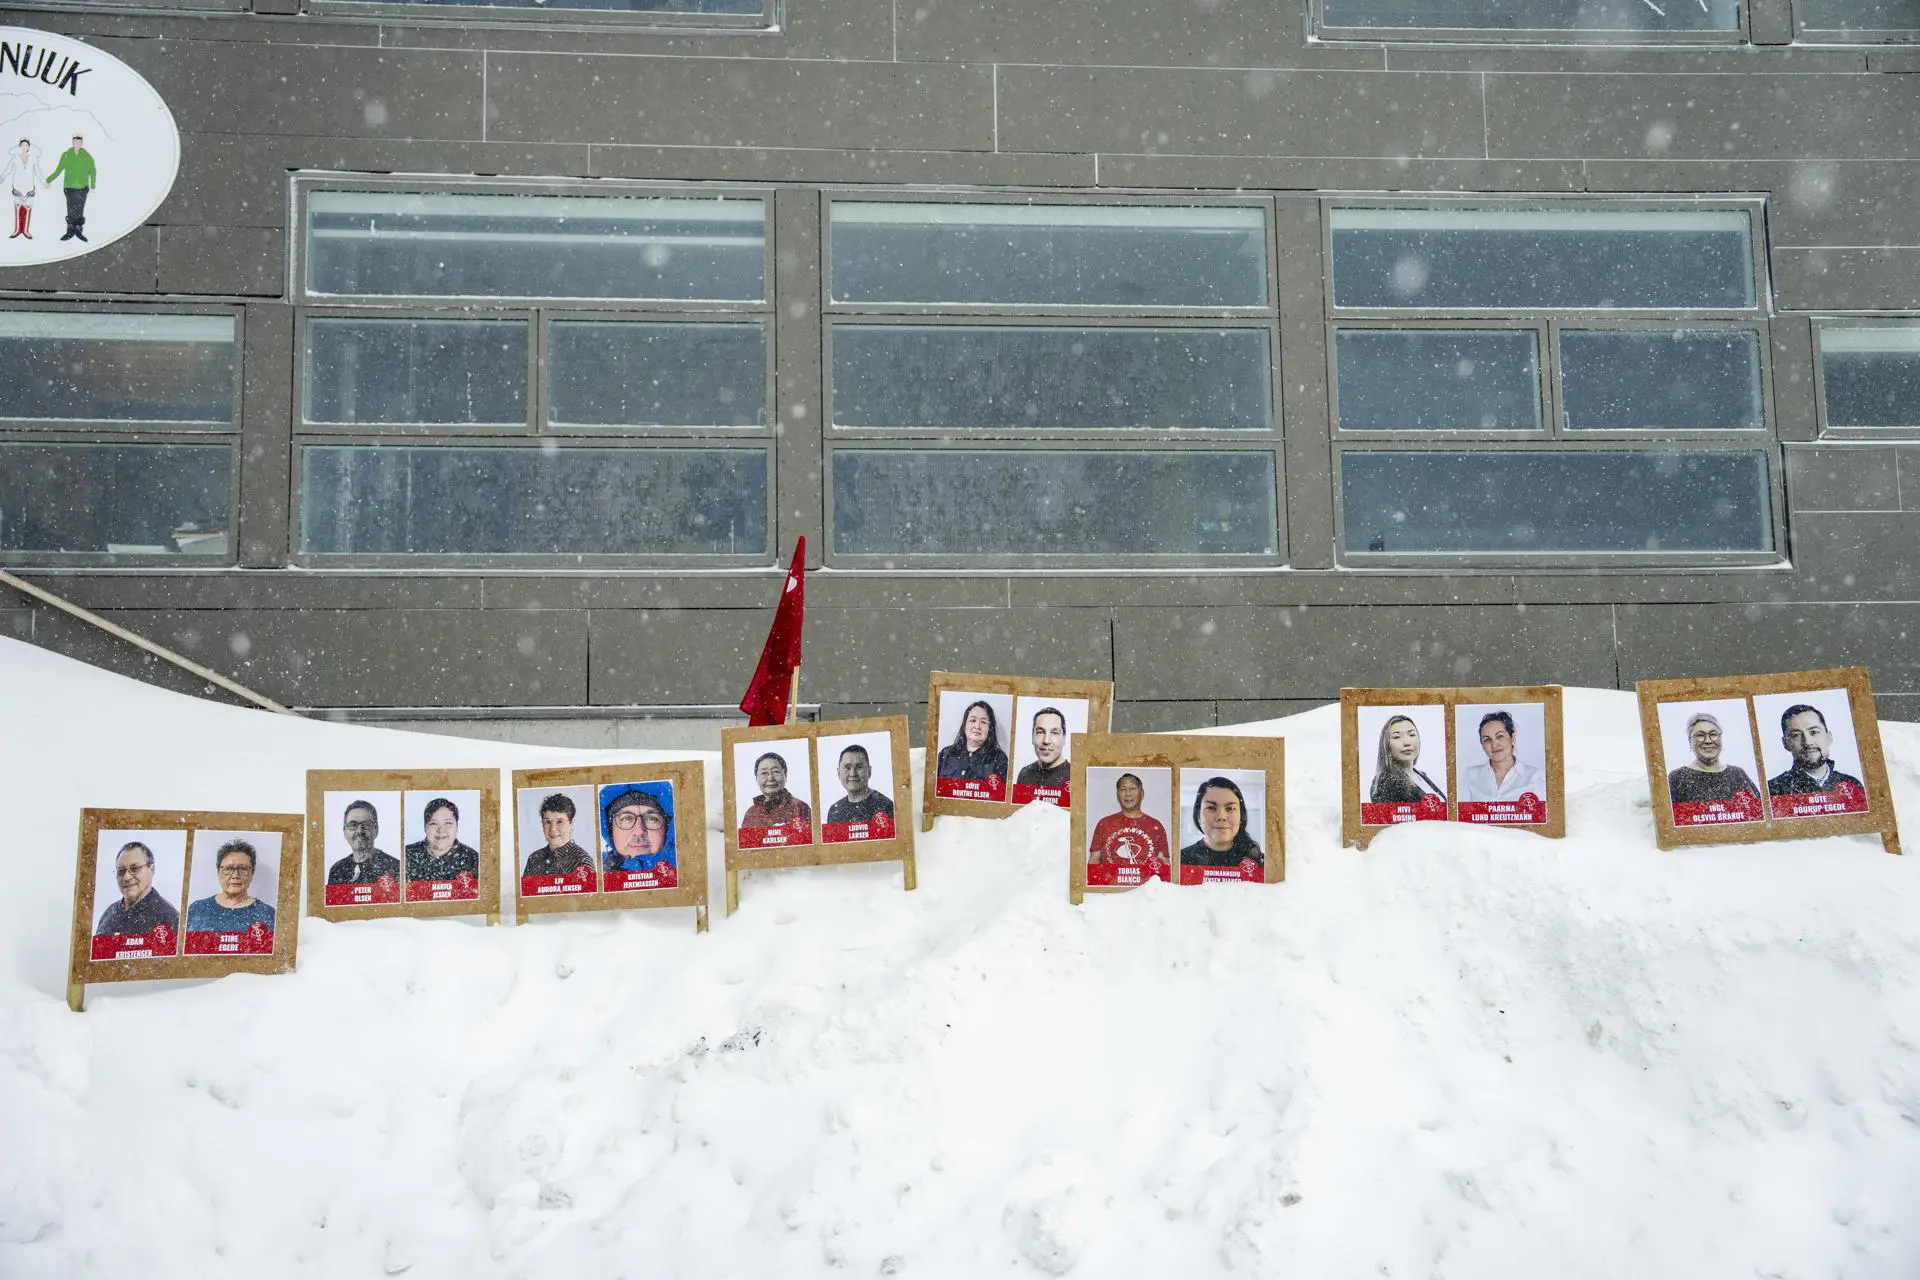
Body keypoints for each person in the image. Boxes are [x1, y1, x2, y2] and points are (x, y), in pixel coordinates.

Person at [1767, 704, 1866, 797]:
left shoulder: (1852, 785)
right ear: (1785, 743)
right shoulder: (1772, 790)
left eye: (1814, 732)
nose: (1808, 742)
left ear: (1829, 737)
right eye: (1796, 735)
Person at [1666, 711, 1762, 806]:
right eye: (1700, 735)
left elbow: (1759, 809)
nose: (1708, 741)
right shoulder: (1677, 778)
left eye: (1713, 734)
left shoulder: (1738, 774)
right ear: (1690, 741)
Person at [185, 838, 276, 934]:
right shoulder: (197, 909)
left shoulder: (268, 914)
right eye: (228, 868)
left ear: (251, 874)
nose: (235, 875)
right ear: (218, 872)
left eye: (243, 869)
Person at [94, 840, 180, 938]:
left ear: (151, 869)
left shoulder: (168, 918)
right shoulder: (109, 914)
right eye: (121, 871)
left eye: (135, 868)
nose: (126, 877)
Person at [1457, 711, 1546, 803]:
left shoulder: (1537, 777)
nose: (1494, 744)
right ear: (1482, 745)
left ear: (1512, 738)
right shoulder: (1467, 776)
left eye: (1500, 736)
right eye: (1487, 739)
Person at [1179, 776, 1264, 871]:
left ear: (1241, 816)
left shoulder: (1261, 863)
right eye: (1211, 808)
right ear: (1198, 816)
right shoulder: (1180, 860)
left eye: (1230, 808)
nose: (1221, 816)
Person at [1087, 773, 1170, 867]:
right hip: (1110, 877)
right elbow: (1094, 860)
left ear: (1142, 793)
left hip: (1147, 877)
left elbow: (1164, 864)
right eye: (1123, 789)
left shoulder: (1155, 826)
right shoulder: (1104, 824)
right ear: (1118, 795)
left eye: (1132, 788)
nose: (1128, 794)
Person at [1369, 715, 1446, 804]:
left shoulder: (1420, 775)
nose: (1407, 742)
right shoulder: (1386, 782)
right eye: (1397, 737)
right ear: (1386, 745)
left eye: (1412, 735)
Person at [405, 796, 480, 884]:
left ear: (457, 826)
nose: (441, 830)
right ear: (425, 827)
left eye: (448, 823)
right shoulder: (406, 855)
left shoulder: (473, 860)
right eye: (434, 823)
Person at [327, 800, 401, 886]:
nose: (360, 831)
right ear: (344, 831)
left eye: (366, 825)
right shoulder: (337, 870)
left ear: (376, 830)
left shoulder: (395, 867)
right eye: (353, 825)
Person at [602, 786, 676, 873]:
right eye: (626, 818)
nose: (639, 831)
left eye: (651, 819)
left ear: (667, 829)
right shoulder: (593, 870)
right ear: (611, 831)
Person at [935, 700, 1009, 783]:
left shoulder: (999, 759)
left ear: (990, 728)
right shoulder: (945, 754)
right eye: (973, 720)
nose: (977, 726)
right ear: (964, 725)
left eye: (983, 722)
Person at [524, 793, 593, 878]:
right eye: (548, 822)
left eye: (560, 822)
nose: (553, 829)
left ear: (571, 823)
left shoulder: (582, 862)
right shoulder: (534, 859)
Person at [740, 753, 812, 830]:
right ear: (756, 779)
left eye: (776, 772)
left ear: (785, 775)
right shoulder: (751, 814)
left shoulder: (800, 807)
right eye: (764, 773)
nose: (770, 778)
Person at [826, 744, 894, 825]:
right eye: (847, 768)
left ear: (869, 771)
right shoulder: (834, 812)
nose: (853, 773)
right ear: (838, 773)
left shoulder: (886, 807)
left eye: (859, 767)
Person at [45, 135, 94, 242]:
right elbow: (59, 169)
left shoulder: (86, 156)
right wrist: (49, 179)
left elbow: (92, 170)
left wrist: (93, 184)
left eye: (79, 142)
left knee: (80, 209)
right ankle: (70, 231)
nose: (77, 144)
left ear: (81, 143)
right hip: (70, 187)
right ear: (72, 142)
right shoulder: (66, 155)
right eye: (75, 142)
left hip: (82, 188)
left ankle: (78, 231)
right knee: (71, 209)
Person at [1014, 707, 1071, 790]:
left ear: (1064, 738)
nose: (1046, 741)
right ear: (1032, 737)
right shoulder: (1024, 774)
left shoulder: (1075, 776)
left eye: (1054, 733)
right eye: (1040, 732)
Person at [3, 139, 37, 240]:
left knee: (27, 209)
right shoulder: (14, 159)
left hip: (29, 188)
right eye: (22, 145)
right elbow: (8, 170)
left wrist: (45, 181)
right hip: (18, 188)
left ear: (29, 147)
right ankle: (17, 230)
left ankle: (25, 230)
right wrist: (2, 177)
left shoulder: (33, 159)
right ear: (19, 147)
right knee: (18, 210)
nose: (24, 147)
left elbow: (38, 171)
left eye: (26, 145)